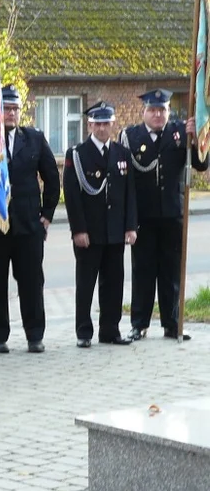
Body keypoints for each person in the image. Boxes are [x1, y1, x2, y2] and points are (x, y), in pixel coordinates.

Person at [0, 85, 60, 354]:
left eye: (14, 108)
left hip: (27, 227)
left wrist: (46, 216)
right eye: (5, 108)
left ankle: (35, 335)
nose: (10, 113)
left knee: (32, 282)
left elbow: (52, 179)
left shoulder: (34, 138)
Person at [120, 89, 207, 341]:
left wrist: (197, 138)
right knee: (143, 271)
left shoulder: (181, 132)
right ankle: (139, 323)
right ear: (144, 112)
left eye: (163, 110)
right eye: (153, 110)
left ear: (169, 111)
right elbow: (127, 182)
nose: (158, 115)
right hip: (144, 217)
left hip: (173, 213)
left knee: (172, 272)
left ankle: (172, 323)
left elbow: (202, 164)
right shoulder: (130, 137)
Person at [63, 101, 137, 348]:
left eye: (107, 123)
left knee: (114, 284)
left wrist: (130, 226)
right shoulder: (77, 154)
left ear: (112, 124)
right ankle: (84, 332)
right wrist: (79, 230)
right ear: (90, 124)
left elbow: (130, 194)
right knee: (86, 284)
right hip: (90, 232)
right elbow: (72, 197)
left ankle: (110, 330)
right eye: (98, 123)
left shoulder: (122, 154)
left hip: (115, 231)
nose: (103, 128)